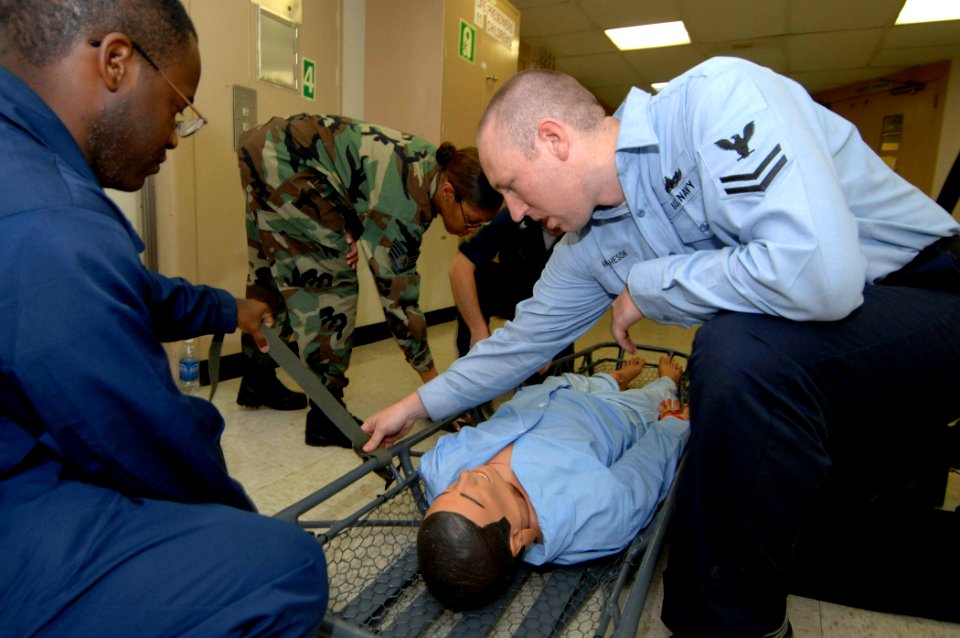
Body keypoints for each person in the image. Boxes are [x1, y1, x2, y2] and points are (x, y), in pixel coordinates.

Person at [362, 58, 960, 636]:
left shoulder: (715, 103)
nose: (514, 213)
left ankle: (732, 626)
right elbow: (518, 345)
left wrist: (650, 285)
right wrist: (416, 406)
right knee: (784, 507)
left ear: (553, 140)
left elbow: (821, 275)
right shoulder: (587, 247)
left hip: (926, 294)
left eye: (512, 187)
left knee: (735, 350)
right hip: (827, 349)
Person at [0, 2, 329, 636]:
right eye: (179, 108)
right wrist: (236, 527)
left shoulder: (26, 174)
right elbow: (148, 446)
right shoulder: (53, 222)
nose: (176, 136)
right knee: (279, 567)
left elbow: (122, 292)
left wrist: (226, 309)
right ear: (116, 63)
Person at [237, 114, 503, 447]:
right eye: (472, 221)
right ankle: (326, 414)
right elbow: (398, 300)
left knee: (270, 267)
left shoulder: (430, 161)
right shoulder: (406, 205)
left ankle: (257, 376)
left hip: (266, 147)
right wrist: (438, 393)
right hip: (289, 163)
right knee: (331, 281)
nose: (469, 231)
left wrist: (345, 225)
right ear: (449, 193)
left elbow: (357, 187)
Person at [416, 357, 689, 610]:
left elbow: (435, 473)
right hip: (614, 413)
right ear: (517, 539)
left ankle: (615, 378)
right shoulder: (592, 513)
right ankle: (664, 384)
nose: (465, 477)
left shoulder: (441, 470)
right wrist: (670, 427)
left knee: (575, 381)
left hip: (546, 393)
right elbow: (645, 469)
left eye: (451, 489)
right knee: (656, 399)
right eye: (475, 498)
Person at [450, 207, 565, 358]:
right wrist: (478, 330)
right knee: (479, 276)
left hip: (554, 305)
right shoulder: (517, 214)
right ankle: (470, 361)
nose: (553, 224)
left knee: (555, 369)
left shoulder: (586, 230)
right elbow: (460, 267)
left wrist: (549, 343)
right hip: (515, 288)